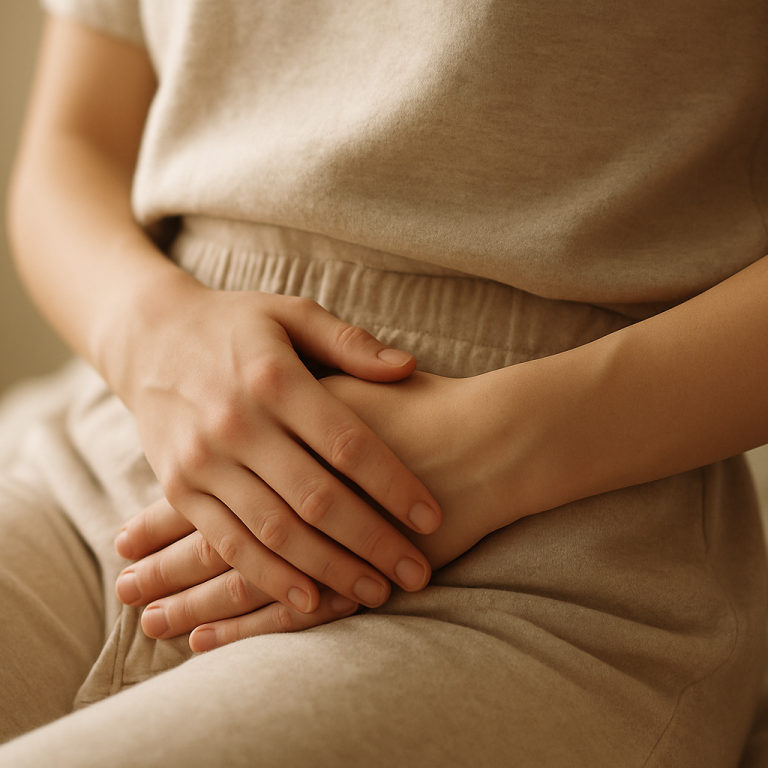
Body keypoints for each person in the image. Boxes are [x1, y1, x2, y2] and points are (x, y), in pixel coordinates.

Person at [1, 1, 767, 765]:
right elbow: (75, 143)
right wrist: (150, 333)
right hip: (118, 459)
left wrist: (494, 444)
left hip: (550, 558)